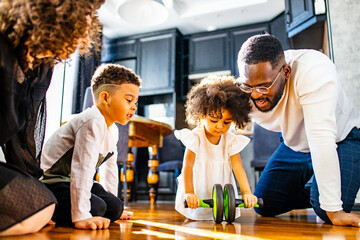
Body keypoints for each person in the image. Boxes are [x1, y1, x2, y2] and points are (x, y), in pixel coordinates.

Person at [0, 0, 105, 236]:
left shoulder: (41, 68)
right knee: (38, 207)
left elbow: (24, 138)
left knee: (50, 204)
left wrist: (34, 192)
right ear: (48, 18)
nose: (81, 41)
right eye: (77, 30)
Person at [237, 33, 360, 227]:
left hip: (341, 138)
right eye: (248, 86)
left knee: (327, 211)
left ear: (286, 72)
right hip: (296, 142)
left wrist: (333, 210)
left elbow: (321, 139)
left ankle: (321, 193)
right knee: (263, 204)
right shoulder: (244, 89)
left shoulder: (314, 71)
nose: (254, 95)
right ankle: (317, 190)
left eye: (263, 86)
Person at [40, 64, 140, 230]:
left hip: (71, 181)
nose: (134, 107)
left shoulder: (112, 130)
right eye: (129, 100)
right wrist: (81, 215)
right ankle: (43, 209)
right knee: (97, 208)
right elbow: (82, 168)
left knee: (115, 207)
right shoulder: (91, 121)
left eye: (135, 102)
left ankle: (81, 208)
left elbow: (109, 169)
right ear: (105, 98)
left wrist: (113, 202)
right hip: (51, 183)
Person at [174, 75, 258, 221]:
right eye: (213, 120)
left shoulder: (230, 140)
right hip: (197, 187)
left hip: (222, 189)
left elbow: (238, 168)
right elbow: (188, 167)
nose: (220, 126)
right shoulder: (195, 138)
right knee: (195, 219)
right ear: (201, 115)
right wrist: (189, 193)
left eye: (227, 122)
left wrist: (246, 193)